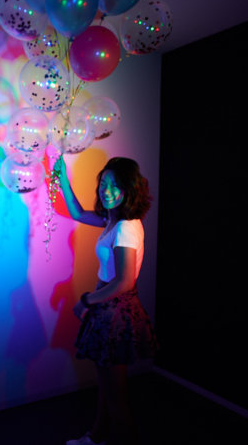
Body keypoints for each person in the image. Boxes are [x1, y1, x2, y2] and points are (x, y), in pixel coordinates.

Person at [54, 155, 157, 445]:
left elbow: (125, 281)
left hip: (115, 311)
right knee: (107, 387)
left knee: (116, 395)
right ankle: (97, 437)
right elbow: (77, 213)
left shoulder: (126, 227)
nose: (106, 191)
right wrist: (62, 177)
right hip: (108, 307)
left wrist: (86, 300)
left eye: (115, 185)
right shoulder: (114, 220)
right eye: (104, 183)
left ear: (129, 189)